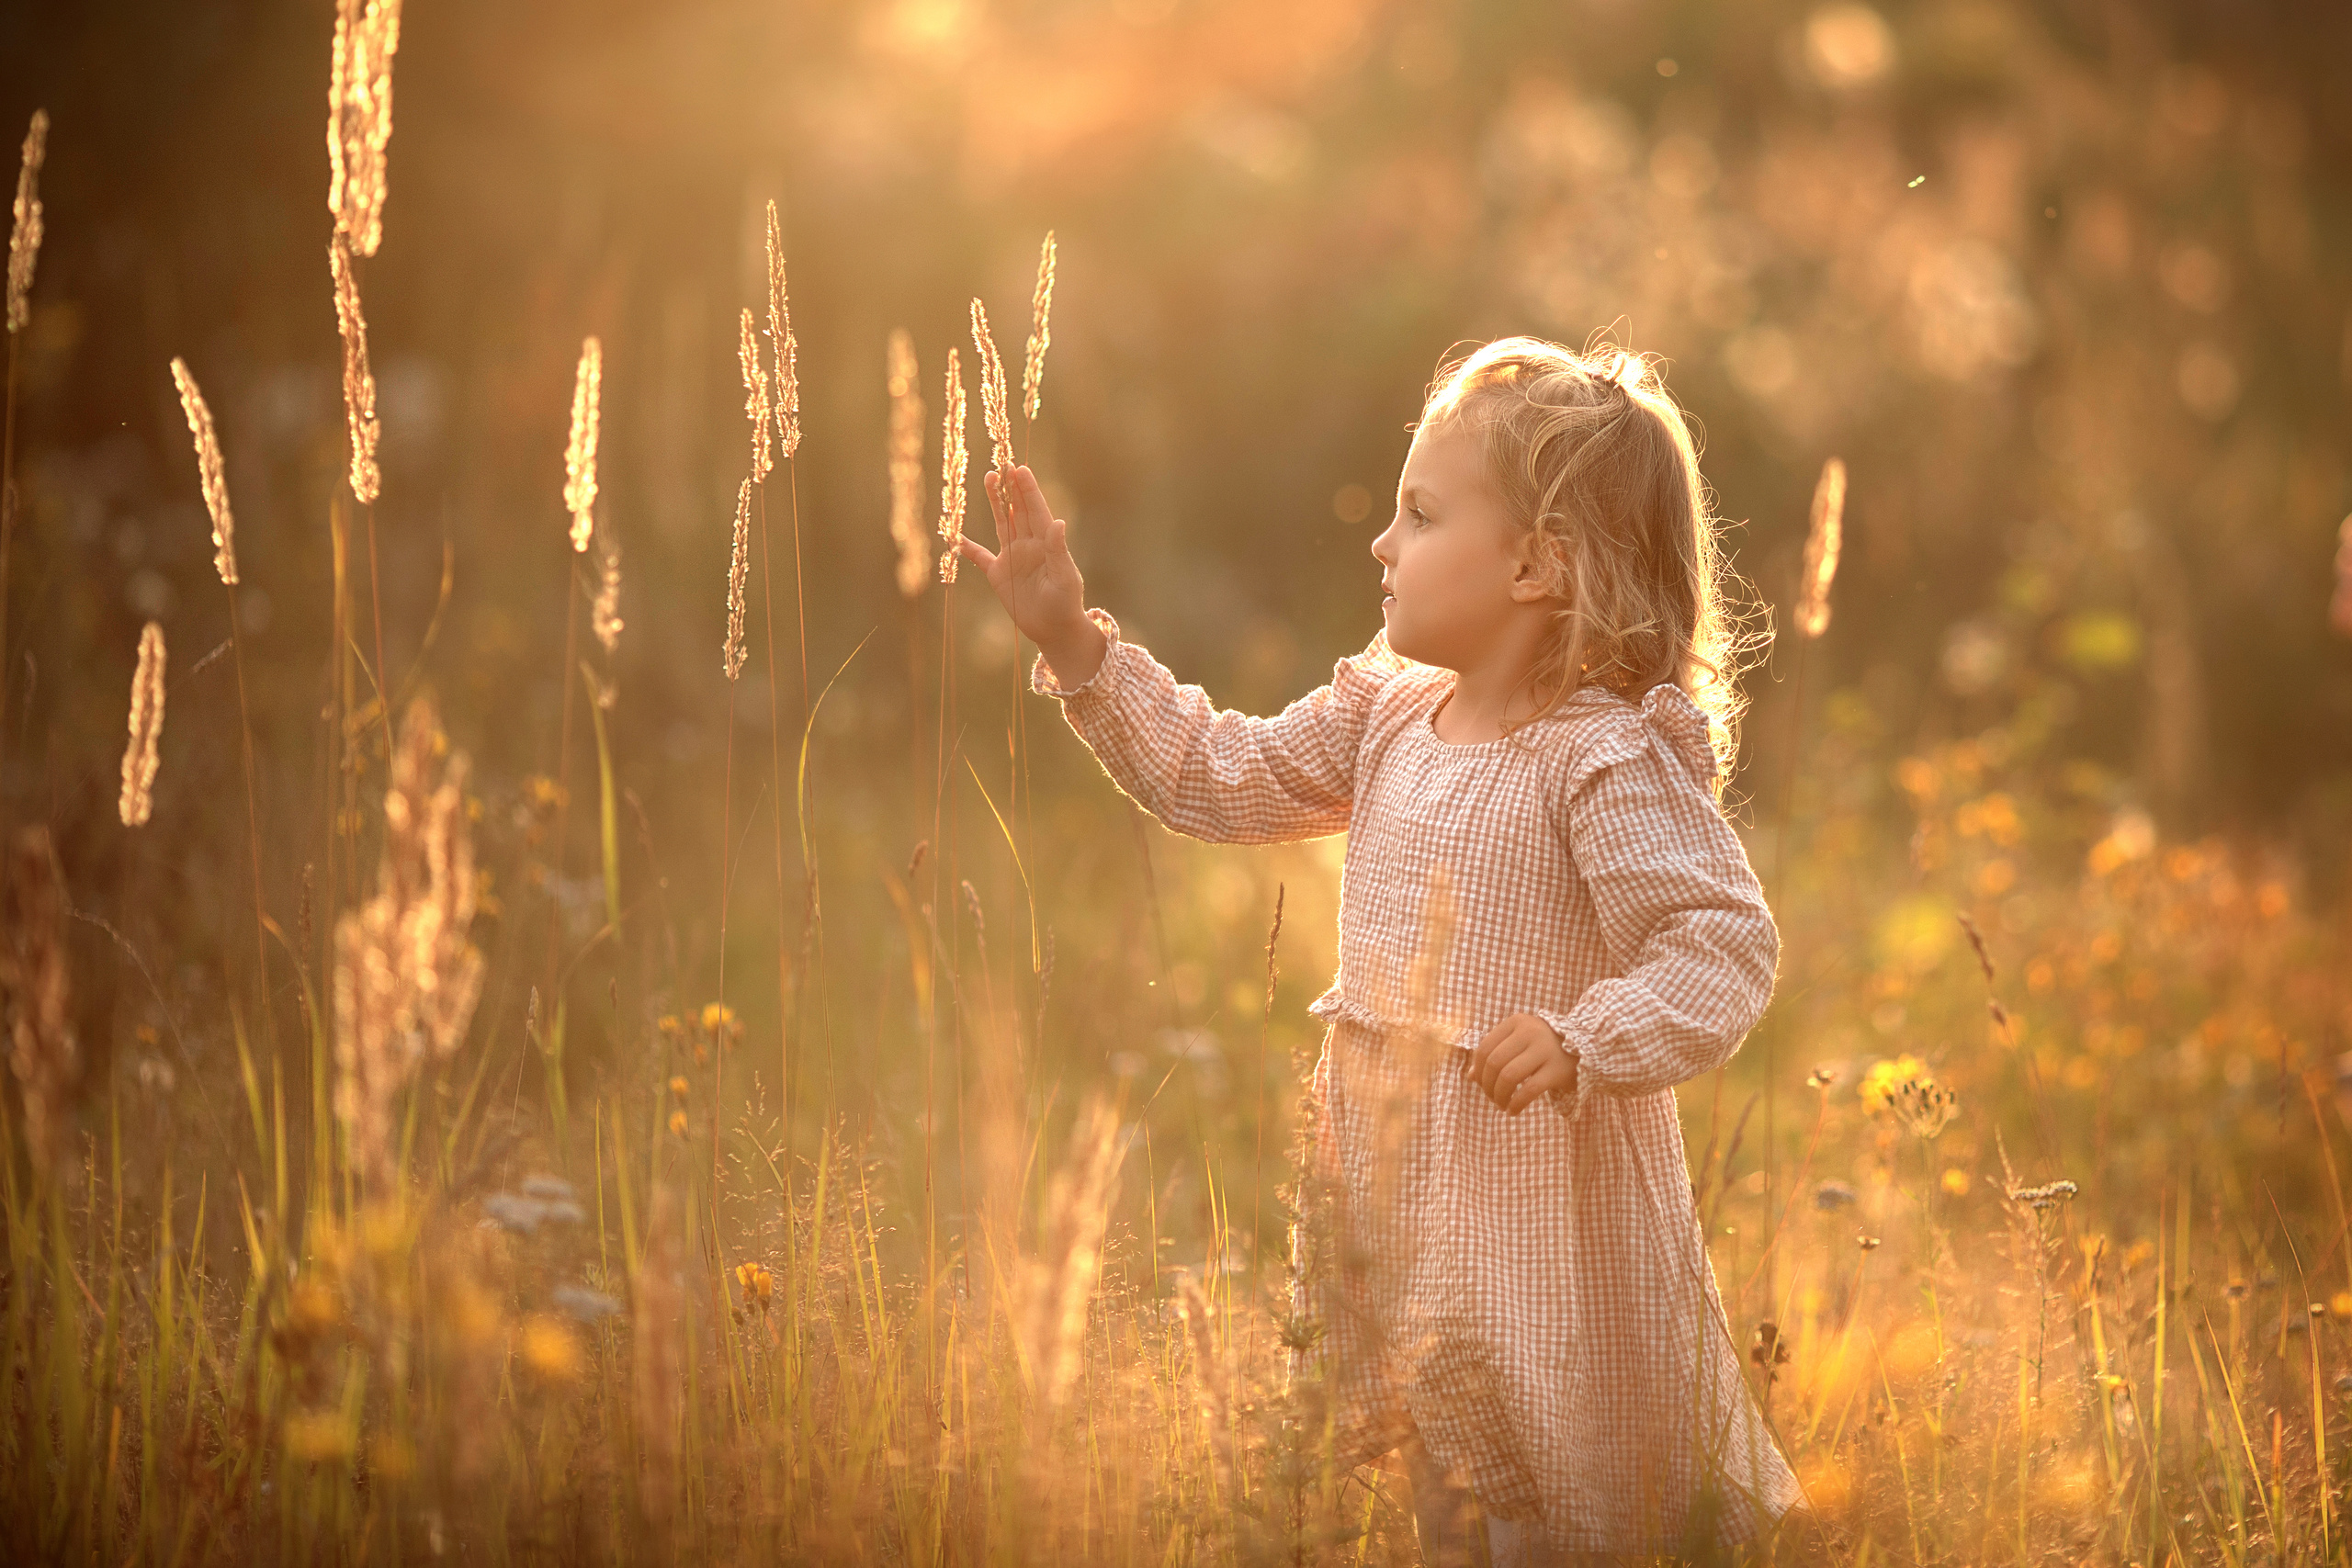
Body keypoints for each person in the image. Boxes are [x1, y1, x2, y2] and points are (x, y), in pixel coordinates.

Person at [956, 337, 1808, 1564]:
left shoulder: (1599, 757)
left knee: (1556, 1512)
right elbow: (1218, 776)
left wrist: (1586, 1037)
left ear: (1535, 564)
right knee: (1447, 1507)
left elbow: (1716, 944)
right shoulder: (1388, 711)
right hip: (1404, 1207)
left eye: (1418, 513)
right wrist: (1079, 648)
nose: (1380, 543)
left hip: (1535, 1224)